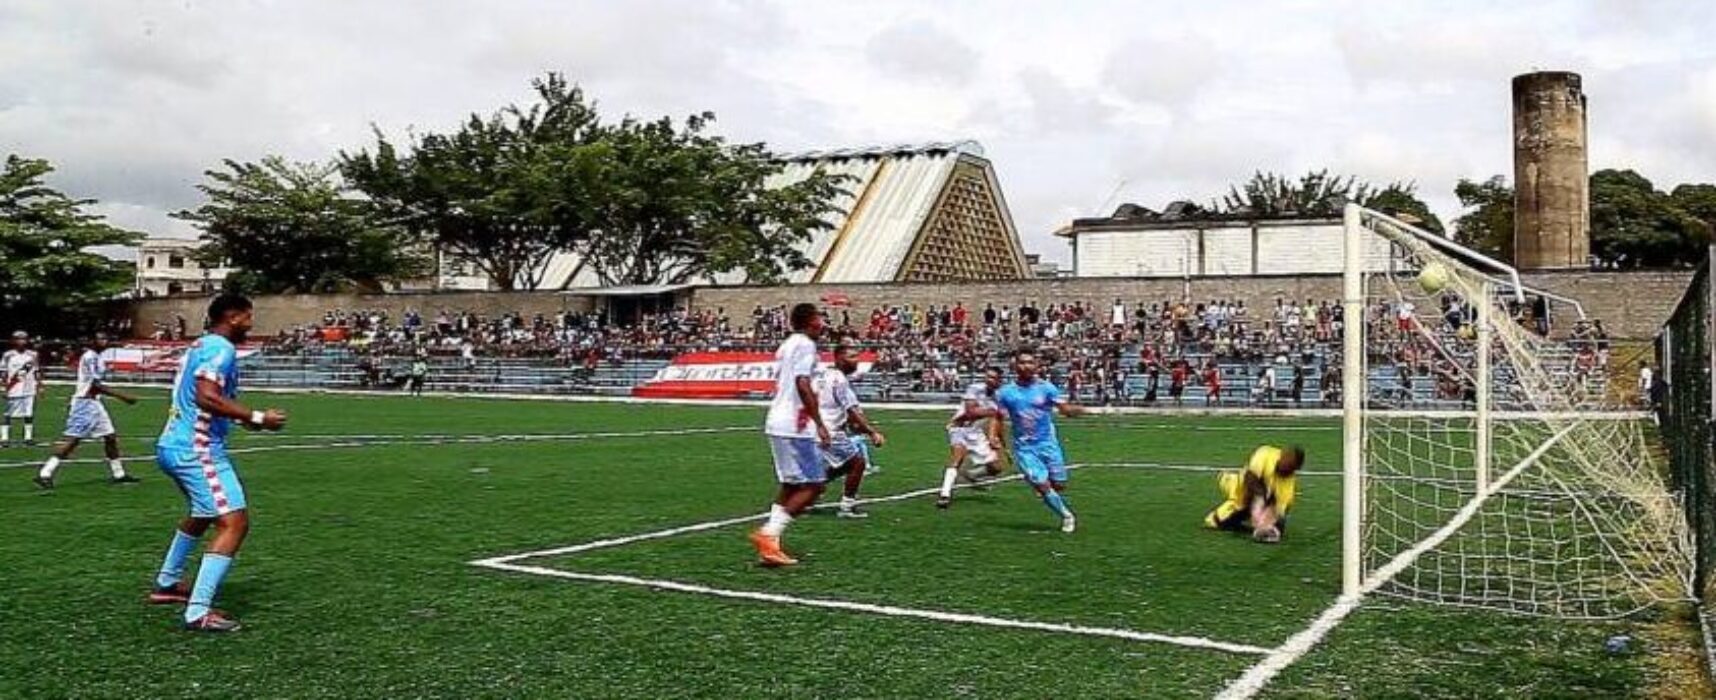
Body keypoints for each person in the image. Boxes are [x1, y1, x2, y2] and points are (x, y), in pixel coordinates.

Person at [149, 294, 288, 632]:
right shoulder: (221, 349)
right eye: (248, 316)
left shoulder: (200, 345)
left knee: (202, 514)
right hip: (197, 451)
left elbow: (208, 400)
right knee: (234, 523)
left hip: (174, 444)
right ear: (233, 316)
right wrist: (258, 415)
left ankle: (167, 583)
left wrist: (243, 420)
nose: (252, 323)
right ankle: (198, 612)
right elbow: (206, 397)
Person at [953, 348, 1087, 533]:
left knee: (1059, 485)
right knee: (1039, 482)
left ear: (1037, 366)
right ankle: (1067, 516)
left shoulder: (1047, 388)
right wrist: (993, 436)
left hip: (1048, 443)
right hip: (1025, 447)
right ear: (1015, 366)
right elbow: (998, 416)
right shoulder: (1006, 393)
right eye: (1022, 362)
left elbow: (1063, 408)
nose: (1026, 366)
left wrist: (1075, 411)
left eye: (1030, 362)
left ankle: (1047, 491)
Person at [749, 303, 832, 567]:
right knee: (815, 485)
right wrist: (819, 422)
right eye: (820, 319)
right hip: (795, 426)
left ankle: (770, 545)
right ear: (810, 322)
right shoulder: (806, 345)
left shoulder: (787, 345)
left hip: (778, 421)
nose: (823, 324)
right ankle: (769, 534)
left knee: (791, 485)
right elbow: (802, 383)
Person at [33, 333, 140, 489]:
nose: (104, 341)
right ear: (93, 341)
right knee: (73, 440)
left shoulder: (97, 357)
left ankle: (119, 474)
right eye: (100, 338)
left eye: (106, 338)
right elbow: (94, 385)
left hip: (94, 403)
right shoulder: (90, 357)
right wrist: (123, 396)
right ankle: (45, 473)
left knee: (110, 437)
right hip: (84, 403)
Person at [812, 344, 885, 519]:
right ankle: (847, 506)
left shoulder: (822, 375)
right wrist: (872, 432)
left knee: (844, 464)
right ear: (838, 358)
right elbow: (852, 410)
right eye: (851, 357)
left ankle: (812, 489)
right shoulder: (840, 380)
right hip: (830, 431)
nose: (856, 361)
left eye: (856, 357)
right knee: (857, 463)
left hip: (814, 429)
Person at [1204, 445, 1305, 543]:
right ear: (1282, 455)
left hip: (1259, 496)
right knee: (1216, 522)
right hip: (1241, 488)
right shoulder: (1266, 453)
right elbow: (1250, 477)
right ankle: (1226, 479)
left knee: (1268, 507)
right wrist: (1259, 500)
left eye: (1291, 466)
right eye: (1287, 459)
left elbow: (1280, 511)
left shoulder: (1288, 486)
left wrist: (1271, 527)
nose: (1287, 466)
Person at [937, 367, 1006, 509]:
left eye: (993, 378)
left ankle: (971, 475)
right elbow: (970, 412)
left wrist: (998, 440)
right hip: (959, 428)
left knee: (996, 467)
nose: (989, 380)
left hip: (976, 433)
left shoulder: (998, 398)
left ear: (999, 381)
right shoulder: (975, 389)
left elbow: (998, 420)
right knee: (957, 458)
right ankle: (945, 495)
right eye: (988, 376)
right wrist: (992, 412)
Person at [3, 331, 41, 447]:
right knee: (8, 414)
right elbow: (3, 372)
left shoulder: (33, 355)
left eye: (24, 339)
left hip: (29, 388)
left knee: (28, 413)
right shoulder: (8, 355)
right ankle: (4, 438)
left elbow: (36, 371)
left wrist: (39, 385)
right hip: (13, 388)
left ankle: (28, 438)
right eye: (18, 339)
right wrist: (4, 387)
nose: (21, 341)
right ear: (14, 341)